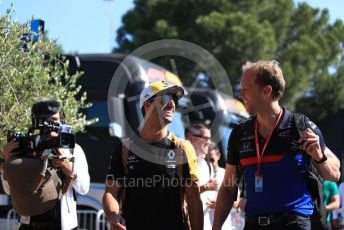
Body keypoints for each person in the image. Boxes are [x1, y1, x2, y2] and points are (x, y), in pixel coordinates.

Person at [213, 60, 341, 230]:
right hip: (254, 224)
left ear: (266, 91)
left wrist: (319, 156)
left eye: (246, 89)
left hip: (294, 223)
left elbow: (334, 174)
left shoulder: (300, 126)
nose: (240, 94)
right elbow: (228, 187)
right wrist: (216, 227)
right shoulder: (240, 133)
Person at [102, 80, 203, 230]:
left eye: (174, 100)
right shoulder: (124, 149)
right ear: (147, 104)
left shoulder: (182, 148)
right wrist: (112, 214)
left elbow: (194, 198)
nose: (172, 105)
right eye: (166, 99)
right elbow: (110, 192)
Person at [1, 99, 90, 230]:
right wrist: (8, 159)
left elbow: (84, 188)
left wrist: (68, 167)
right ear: (38, 122)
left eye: (56, 119)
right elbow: (9, 190)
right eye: (48, 121)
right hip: (30, 224)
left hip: (64, 225)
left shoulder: (73, 149)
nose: (54, 125)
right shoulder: (26, 147)